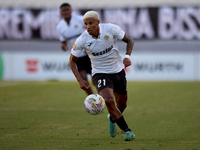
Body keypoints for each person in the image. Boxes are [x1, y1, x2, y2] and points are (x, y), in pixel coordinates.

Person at [69, 10, 135, 141]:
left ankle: (112, 118)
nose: (88, 27)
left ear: (98, 22)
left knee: (122, 105)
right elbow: (71, 61)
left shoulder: (110, 29)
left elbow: (129, 40)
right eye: (85, 24)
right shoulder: (82, 39)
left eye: (91, 23)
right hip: (100, 73)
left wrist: (127, 57)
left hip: (118, 71)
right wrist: (80, 80)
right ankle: (127, 131)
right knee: (109, 100)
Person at [56, 3, 93, 95]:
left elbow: (92, 32)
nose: (66, 12)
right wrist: (64, 46)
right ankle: (94, 101)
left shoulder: (81, 20)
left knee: (95, 79)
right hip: (78, 56)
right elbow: (63, 41)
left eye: (67, 10)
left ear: (71, 10)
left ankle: (104, 99)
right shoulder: (60, 27)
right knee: (84, 80)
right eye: (63, 10)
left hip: (90, 54)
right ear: (60, 12)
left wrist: (88, 46)